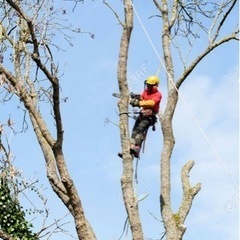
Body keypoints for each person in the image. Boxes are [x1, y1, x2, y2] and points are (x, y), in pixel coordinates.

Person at [129, 75, 162, 158]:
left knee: (141, 128)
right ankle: (131, 147)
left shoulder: (158, 94)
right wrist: (137, 98)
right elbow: (142, 98)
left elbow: (151, 103)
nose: (148, 87)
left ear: (155, 86)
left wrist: (138, 103)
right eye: (147, 85)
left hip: (150, 117)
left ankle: (137, 148)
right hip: (142, 114)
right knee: (134, 131)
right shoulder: (146, 92)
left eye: (150, 85)